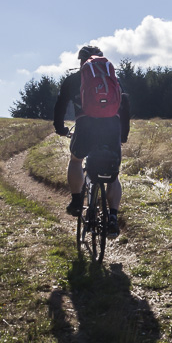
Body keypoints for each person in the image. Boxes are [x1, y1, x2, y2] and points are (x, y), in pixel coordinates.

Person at [53, 45, 130, 233]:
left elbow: (60, 105)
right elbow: (125, 103)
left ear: (81, 61)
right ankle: (113, 217)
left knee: (76, 160)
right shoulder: (113, 79)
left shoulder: (73, 79)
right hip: (111, 128)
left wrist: (60, 129)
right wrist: (123, 136)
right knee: (113, 174)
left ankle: (76, 201)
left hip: (86, 126)